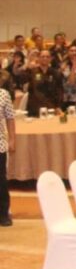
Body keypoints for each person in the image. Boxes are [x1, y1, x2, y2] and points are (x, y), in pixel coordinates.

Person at [26, 50, 64, 116]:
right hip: (35, 108)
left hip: (51, 108)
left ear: (50, 59)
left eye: (47, 57)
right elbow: (22, 80)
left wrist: (58, 106)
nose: (45, 58)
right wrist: (27, 65)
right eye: (42, 56)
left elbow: (59, 91)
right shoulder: (32, 72)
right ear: (38, 58)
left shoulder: (56, 73)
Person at [0, 88, 16, 227]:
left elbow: (10, 119)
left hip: (0, 145)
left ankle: (3, 214)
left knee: (1, 181)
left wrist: (12, 139)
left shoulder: (4, 94)